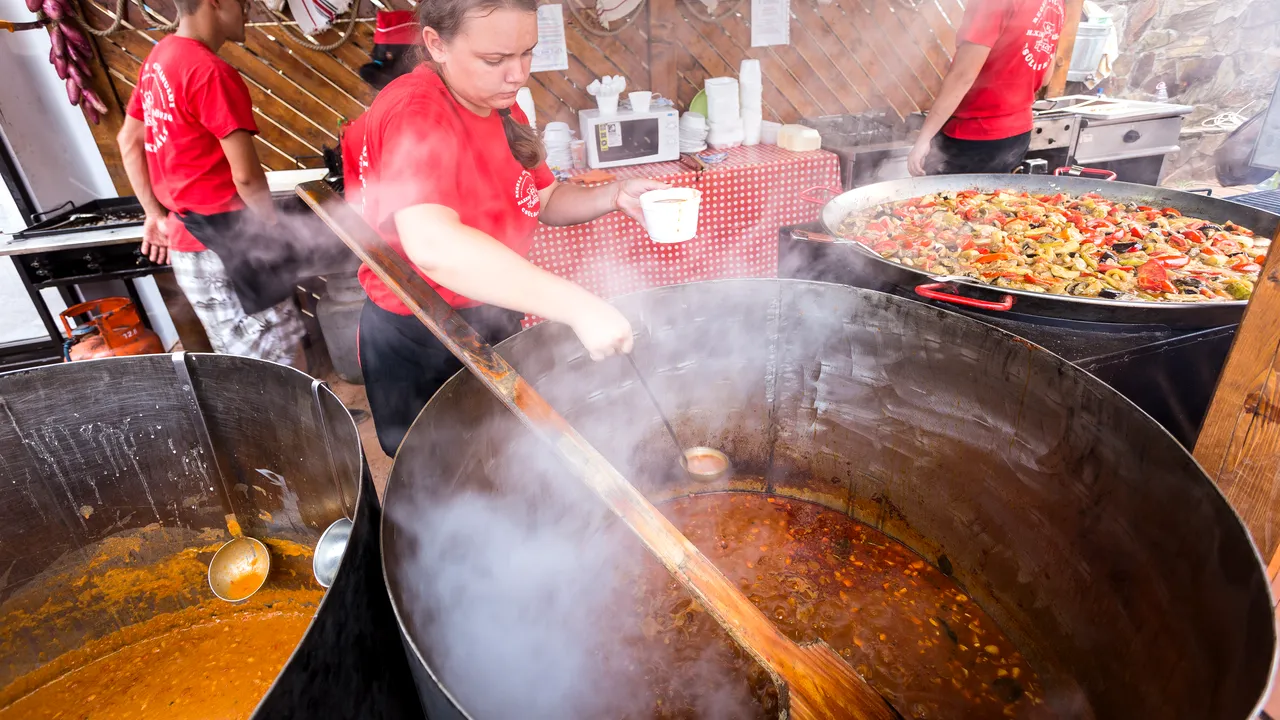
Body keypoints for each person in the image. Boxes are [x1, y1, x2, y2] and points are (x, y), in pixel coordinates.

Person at [353, 0, 666, 457]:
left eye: (527, 53)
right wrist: (579, 306)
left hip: (494, 314)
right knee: (442, 483)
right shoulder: (415, 109)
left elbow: (543, 198)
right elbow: (433, 244)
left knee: (508, 458)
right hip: (424, 335)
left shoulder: (500, 103)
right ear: (436, 44)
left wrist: (614, 196)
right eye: (495, 60)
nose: (518, 75)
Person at [116, 0, 306, 366]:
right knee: (282, 363)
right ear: (217, 3)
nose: (247, 10)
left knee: (240, 362)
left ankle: (284, 424)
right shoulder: (209, 71)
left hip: (186, 244)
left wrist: (153, 215)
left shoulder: (159, 57)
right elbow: (247, 176)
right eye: (243, 3)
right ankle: (307, 425)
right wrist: (270, 227)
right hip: (233, 242)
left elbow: (129, 141)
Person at [907, 0, 1065, 176]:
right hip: (1017, 135)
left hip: (974, 137)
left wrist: (924, 138)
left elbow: (962, 77)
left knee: (945, 201)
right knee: (990, 200)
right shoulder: (1056, 3)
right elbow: (1045, 77)